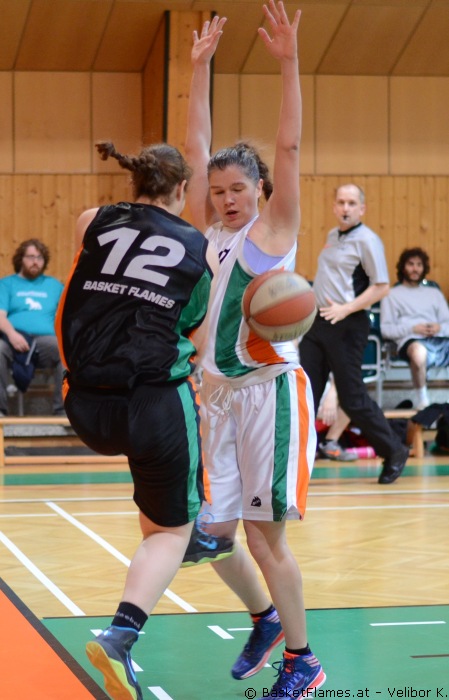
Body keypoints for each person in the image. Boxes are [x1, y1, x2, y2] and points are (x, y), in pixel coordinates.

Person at [184, 4, 325, 697]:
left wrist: (289, 63)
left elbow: (290, 147)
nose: (225, 198)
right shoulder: (208, 235)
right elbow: (195, 148)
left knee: (266, 539)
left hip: (269, 394)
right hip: (217, 398)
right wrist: (199, 68)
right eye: (217, 192)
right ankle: (265, 618)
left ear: (260, 189)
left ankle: (303, 660)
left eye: (237, 188)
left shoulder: (274, 232)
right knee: (207, 535)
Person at [55, 140, 218, 700]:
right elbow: (196, 338)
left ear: (134, 181)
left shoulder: (91, 221)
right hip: (152, 407)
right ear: (181, 190)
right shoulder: (200, 249)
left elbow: (80, 296)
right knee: (170, 532)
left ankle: (172, 527)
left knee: (159, 520)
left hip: (84, 404)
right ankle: (122, 634)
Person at [299, 183, 409, 485]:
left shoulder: (368, 240)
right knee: (304, 392)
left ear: (362, 208)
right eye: (341, 202)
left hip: (348, 324)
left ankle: (394, 450)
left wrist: (345, 309)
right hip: (319, 322)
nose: (345, 208)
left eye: (351, 203)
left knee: (352, 398)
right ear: (334, 206)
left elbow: (381, 287)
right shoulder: (332, 236)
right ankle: (296, 461)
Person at [0, 239, 64, 416]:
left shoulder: (54, 286)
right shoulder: (6, 284)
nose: (35, 261)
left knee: (66, 351)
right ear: (21, 259)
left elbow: (68, 316)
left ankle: (62, 411)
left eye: (39, 257)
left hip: (45, 343)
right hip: (12, 340)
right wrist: (12, 334)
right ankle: (0, 411)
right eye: (30, 257)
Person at [380, 247, 449, 410]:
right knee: (418, 352)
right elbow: (386, 329)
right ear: (403, 267)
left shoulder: (434, 293)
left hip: (439, 339)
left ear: (424, 268)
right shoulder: (391, 295)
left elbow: (447, 323)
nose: (415, 269)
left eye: (419, 265)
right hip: (411, 341)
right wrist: (413, 329)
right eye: (411, 264)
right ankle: (422, 401)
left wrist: (439, 327)